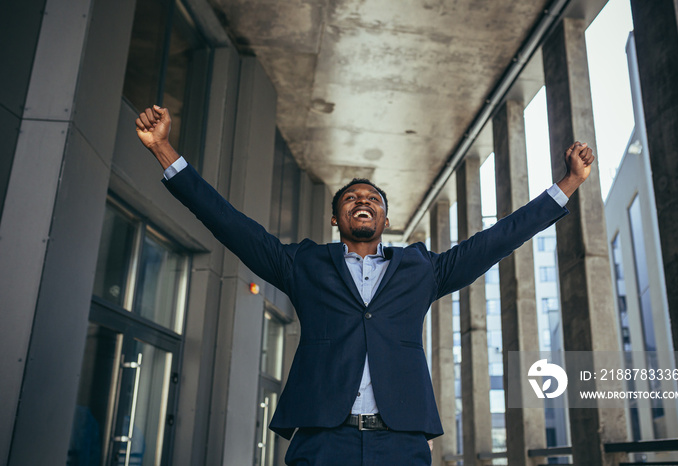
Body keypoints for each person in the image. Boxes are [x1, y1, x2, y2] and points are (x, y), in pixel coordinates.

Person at [135, 105, 594, 465]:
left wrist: (568, 184)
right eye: (351, 198)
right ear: (336, 218)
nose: (363, 201)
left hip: (400, 441)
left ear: (385, 219)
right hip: (322, 439)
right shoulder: (304, 263)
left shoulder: (422, 269)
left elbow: (496, 239)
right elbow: (229, 224)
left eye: (372, 198)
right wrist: (163, 150)